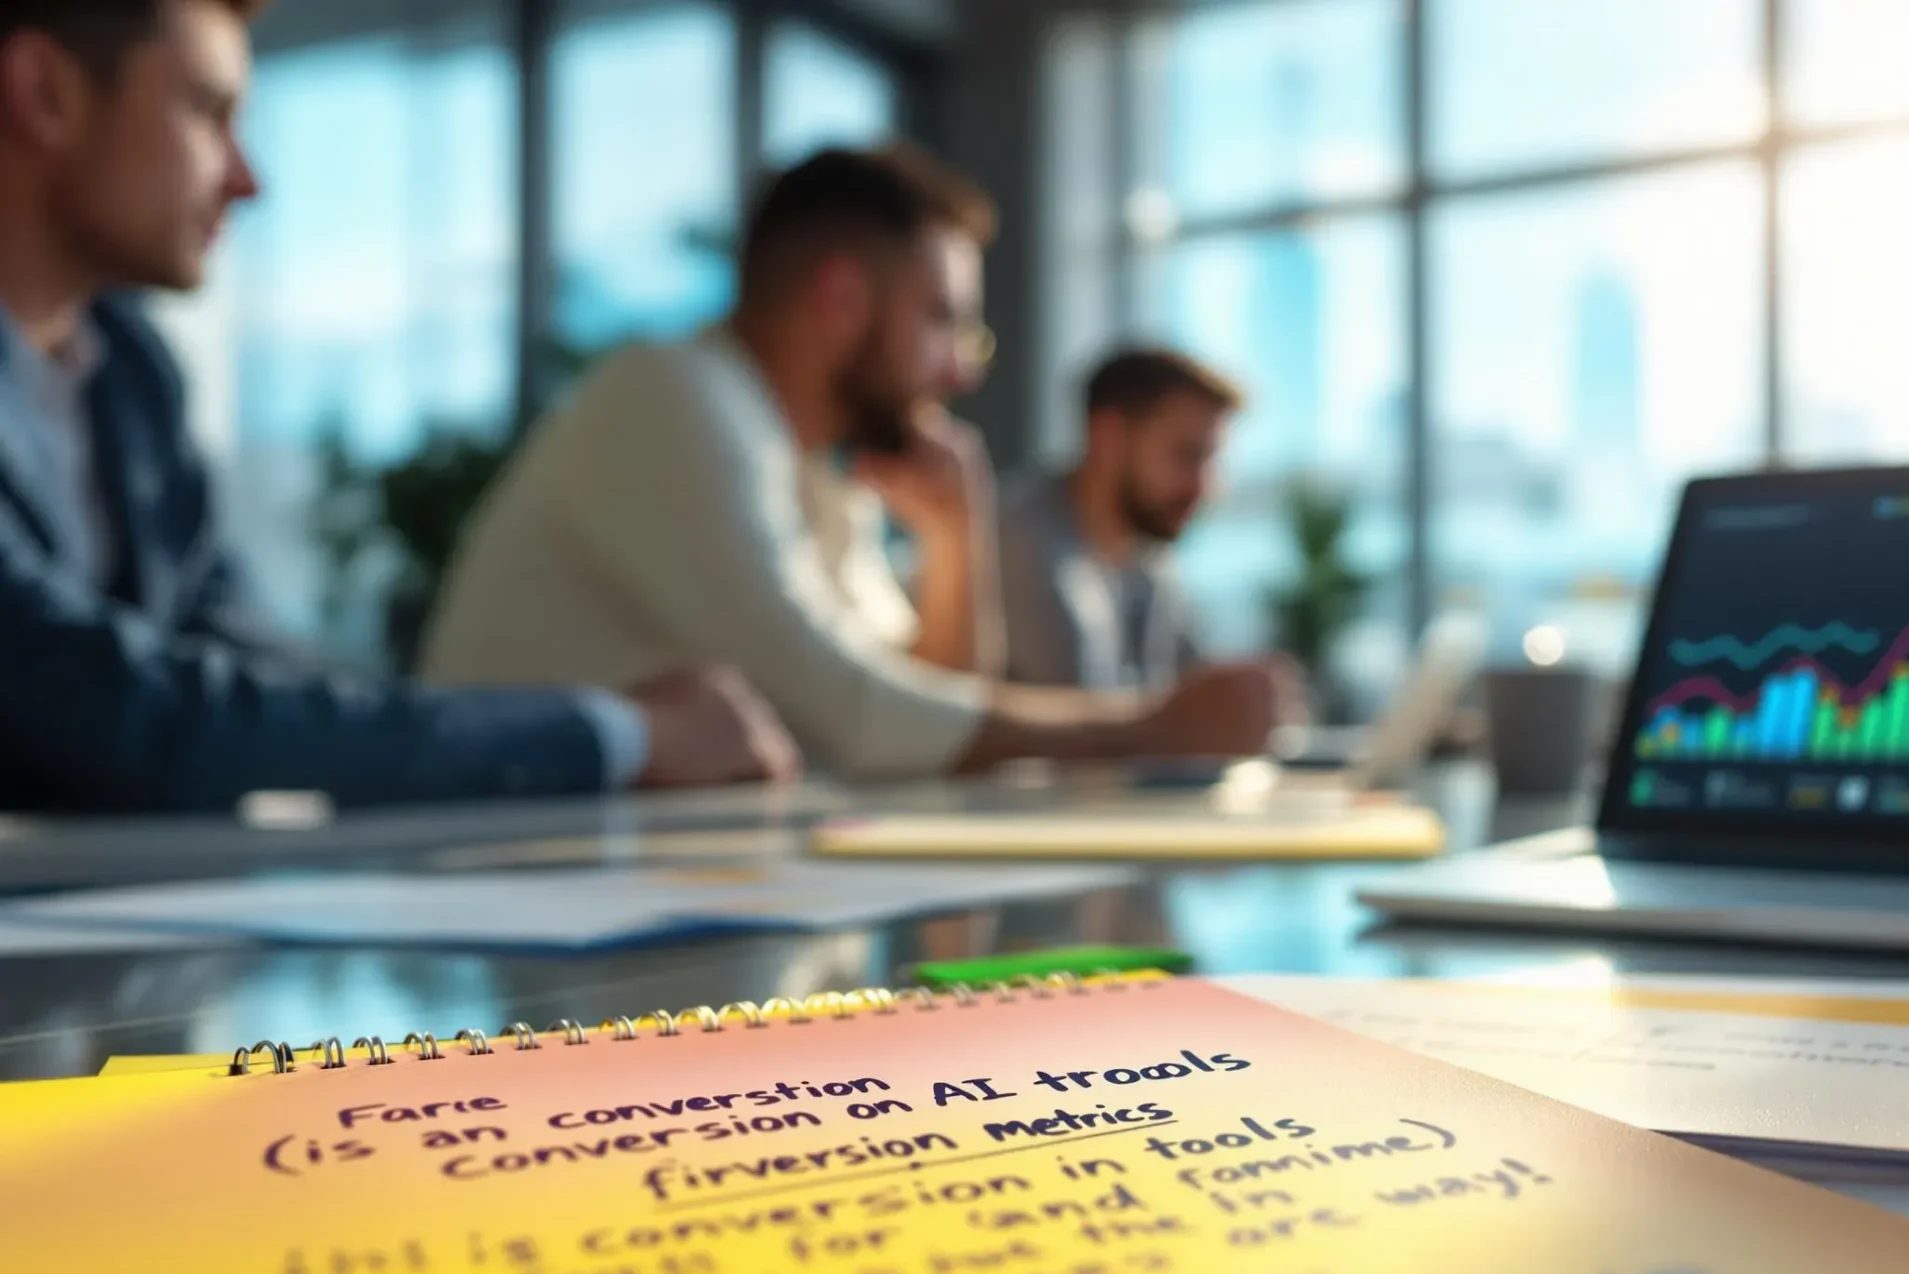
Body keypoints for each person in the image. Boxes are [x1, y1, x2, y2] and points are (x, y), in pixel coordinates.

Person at [0, 0, 799, 814]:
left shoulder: (130, 374)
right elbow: (122, 718)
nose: (247, 179)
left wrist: (561, 730)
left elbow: (260, 671)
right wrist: (619, 734)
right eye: (208, 113)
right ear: (44, 92)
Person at [421, 146, 1289, 781]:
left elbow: (916, 722)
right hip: (489, 898)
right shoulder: (671, 396)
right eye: (944, 320)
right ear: (840, 299)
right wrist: (1150, 726)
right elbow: (857, 721)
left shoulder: (818, 472)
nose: (965, 368)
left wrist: (953, 548)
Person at [998, 348, 1236, 692]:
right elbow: (1086, 726)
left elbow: (1193, 690)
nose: (1205, 488)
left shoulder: (1147, 557)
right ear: (1109, 436)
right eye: (1186, 455)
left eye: (1212, 462)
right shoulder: (1019, 543)